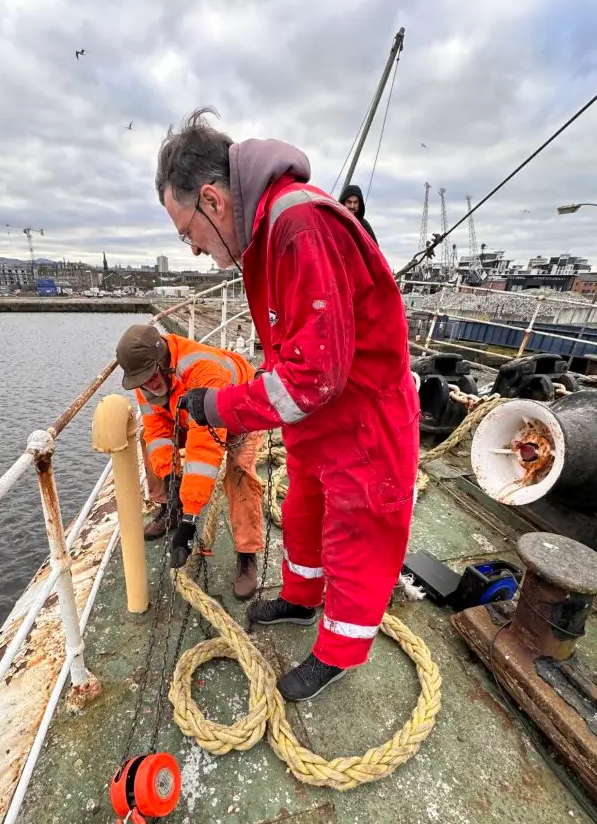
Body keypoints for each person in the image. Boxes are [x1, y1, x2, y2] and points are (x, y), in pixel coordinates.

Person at [155, 108, 419, 703]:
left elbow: (314, 377)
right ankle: (302, 599)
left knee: (356, 531)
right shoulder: (267, 236)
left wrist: (219, 406)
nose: (193, 249)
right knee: (303, 513)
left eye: (186, 231)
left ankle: (339, 651)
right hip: (320, 422)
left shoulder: (296, 223)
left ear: (213, 200)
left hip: (360, 419)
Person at [115, 323, 264, 599]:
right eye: (141, 380)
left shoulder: (202, 370)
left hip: (240, 412)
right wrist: (171, 478)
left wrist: (189, 521)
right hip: (188, 414)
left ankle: (247, 553)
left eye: (151, 376)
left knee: (239, 473)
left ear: (162, 360)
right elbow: (159, 431)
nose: (148, 384)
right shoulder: (143, 377)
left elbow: (204, 446)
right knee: (148, 438)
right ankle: (166, 505)